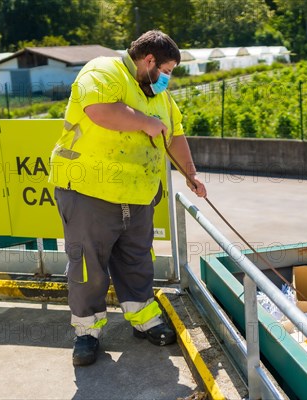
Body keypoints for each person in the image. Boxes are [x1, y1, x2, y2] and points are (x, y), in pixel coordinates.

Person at [49, 30, 206, 367]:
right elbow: (99, 110)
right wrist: (145, 123)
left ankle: (143, 317)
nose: (168, 78)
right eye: (166, 70)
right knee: (88, 264)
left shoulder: (158, 96)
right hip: (88, 190)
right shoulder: (104, 71)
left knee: (137, 258)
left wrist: (190, 173)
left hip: (137, 194)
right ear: (148, 60)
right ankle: (87, 333)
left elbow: (173, 133)